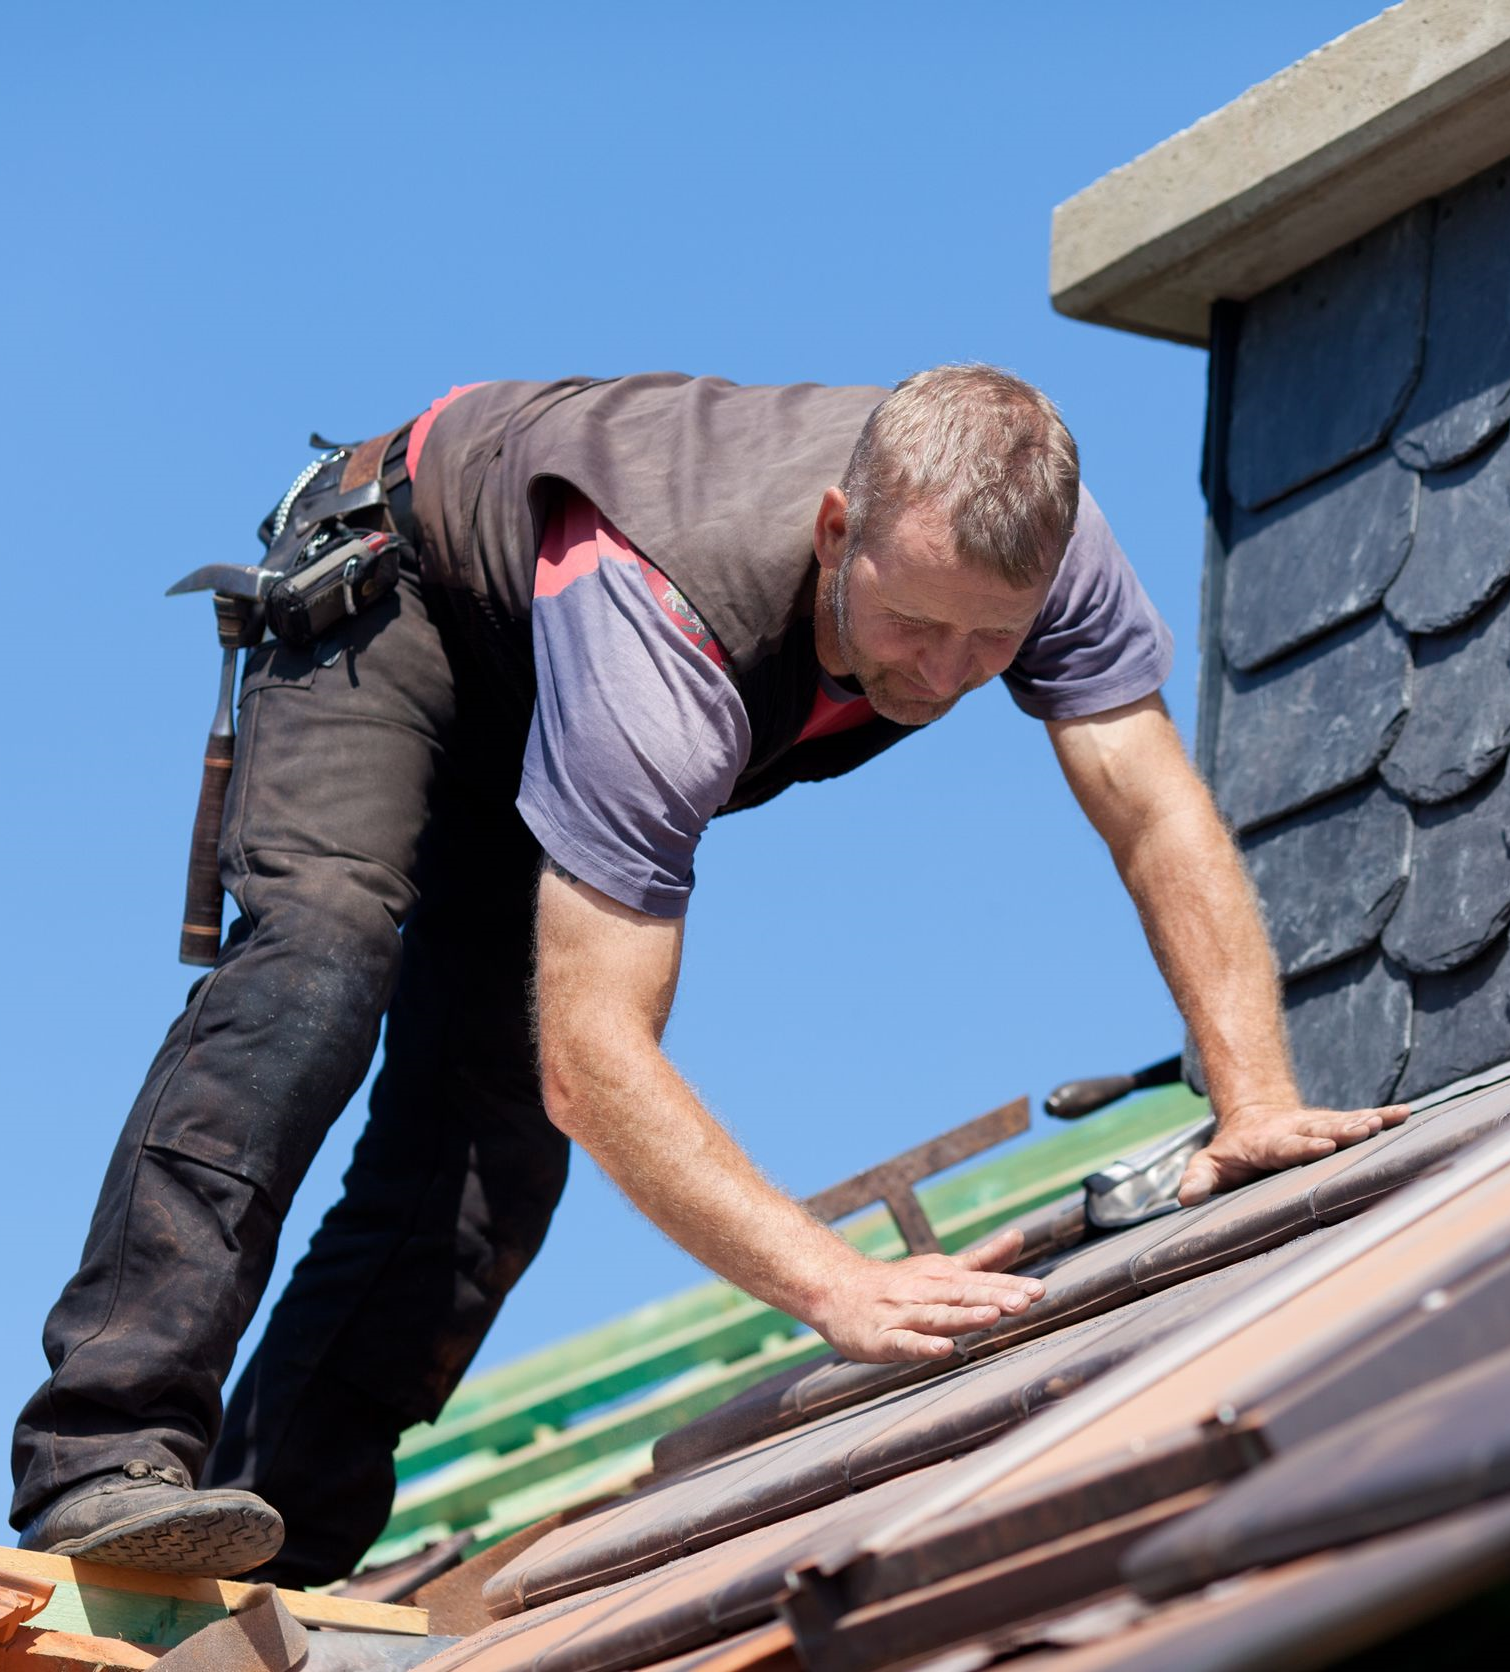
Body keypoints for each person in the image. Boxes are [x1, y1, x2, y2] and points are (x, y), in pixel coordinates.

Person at [11, 366, 1405, 1586]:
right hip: (415, 606)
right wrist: (832, 1285)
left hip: (559, 713)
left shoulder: (1042, 551)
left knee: (490, 1155)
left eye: (996, 640)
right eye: (919, 626)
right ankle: (106, 1456)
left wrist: (1257, 1099)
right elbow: (597, 1056)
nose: (953, 673)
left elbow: (1155, 810)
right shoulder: (666, 616)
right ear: (835, 530)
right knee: (319, 968)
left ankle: (279, 1556)